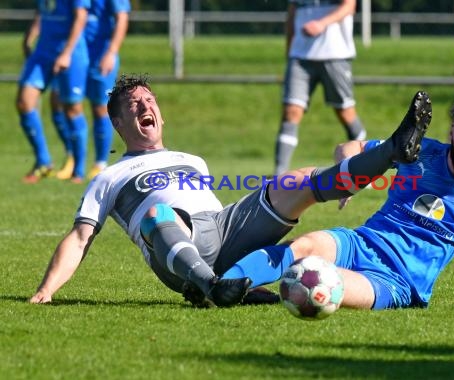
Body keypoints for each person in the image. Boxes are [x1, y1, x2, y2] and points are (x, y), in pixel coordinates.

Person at [29, 74, 432, 307]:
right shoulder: (109, 176)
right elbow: (80, 238)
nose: (143, 107)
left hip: (221, 226)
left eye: (149, 100)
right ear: (118, 124)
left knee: (299, 179)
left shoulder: (192, 159)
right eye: (133, 105)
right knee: (157, 215)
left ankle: (391, 152)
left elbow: (216, 217)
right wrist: (46, 291)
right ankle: (210, 286)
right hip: (174, 252)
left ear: (161, 115)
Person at [221, 90, 454, 313]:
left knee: (322, 278)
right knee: (304, 246)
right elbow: (348, 147)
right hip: (360, 243)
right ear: (452, 131)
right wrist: (350, 180)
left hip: (397, 281)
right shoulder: (416, 151)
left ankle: (242, 284)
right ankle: (218, 285)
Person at [274, 0, 366, 175]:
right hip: (299, 57)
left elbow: (349, 6)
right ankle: (279, 175)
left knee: (345, 113)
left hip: (335, 55)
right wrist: (289, 51)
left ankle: (364, 168)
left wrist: (322, 23)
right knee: (291, 111)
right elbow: (292, 15)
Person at [54, 0, 131, 181]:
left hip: (100, 55)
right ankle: (74, 162)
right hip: (75, 53)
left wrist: (111, 52)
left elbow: (122, 18)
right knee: (68, 105)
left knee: (100, 107)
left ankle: (100, 163)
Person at [17, 0, 90, 184]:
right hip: (43, 52)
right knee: (24, 102)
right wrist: (29, 37)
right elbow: (42, 12)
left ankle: (79, 171)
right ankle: (44, 161)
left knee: (71, 108)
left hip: (70, 52)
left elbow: (81, 17)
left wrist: (66, 53)